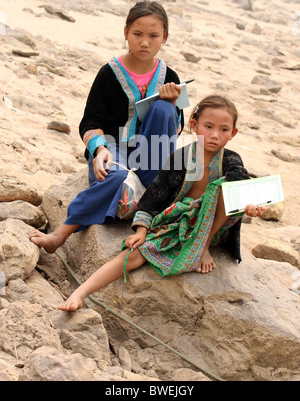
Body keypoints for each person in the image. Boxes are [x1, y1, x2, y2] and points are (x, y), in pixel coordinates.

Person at [57, 94, 265, 312]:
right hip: (180, 222)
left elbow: (240, 184)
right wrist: (141, 230)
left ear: (233, 133)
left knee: (225, 187)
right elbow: (156, 193)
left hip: (214, 225)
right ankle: (80, 293)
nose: (215, 135)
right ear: (194, 125)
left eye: (223, 130)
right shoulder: (181, 157)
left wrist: (249, 205)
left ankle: (203, 246)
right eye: (208, 126)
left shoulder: (231, 160)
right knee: (136, 254)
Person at [29, 0, 184, 253]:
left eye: (153, 35)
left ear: (164, 37)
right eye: (137, 34)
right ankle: (62, 233)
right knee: (116, 175)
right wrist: (100, 150)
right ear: (125, 33)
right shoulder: (109, 74)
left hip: (152, 156)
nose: (144, 42)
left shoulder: (171, 77)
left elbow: (177, 130)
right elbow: (90, 122)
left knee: (165, 108)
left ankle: (150, 191)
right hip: (116, 148)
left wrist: (175, 105)